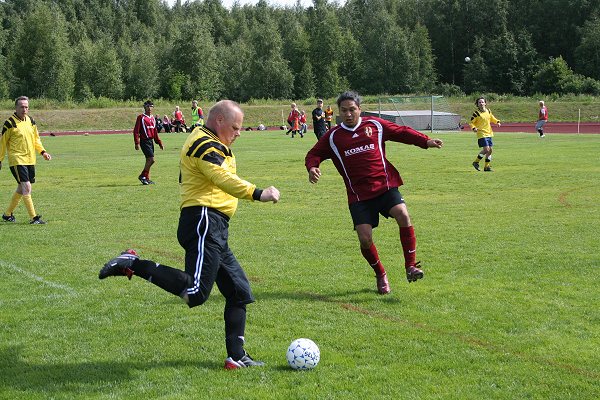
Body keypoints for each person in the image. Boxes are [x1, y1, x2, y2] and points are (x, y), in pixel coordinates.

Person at [99, 100, 281, 370]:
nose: (239, 133)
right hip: (204, 221)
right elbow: (220, 177)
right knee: (195, 292)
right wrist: (257, 193)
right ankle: (132, 263)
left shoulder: (211, 141)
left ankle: (236, 356)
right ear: (219, 120)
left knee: (239, 291)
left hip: (214, 225)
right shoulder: (203, 143)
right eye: (235, 127)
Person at [305, 91, 443, 295]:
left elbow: (401, 132)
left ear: (359, 109)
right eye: (344, 110)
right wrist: (312, 167)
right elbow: (314, 154)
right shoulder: (333, 136)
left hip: (385, 186)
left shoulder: (375, 125)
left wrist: (425, 141)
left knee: (403, 215)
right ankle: (380, 274)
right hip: (359, 195)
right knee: (365, 239)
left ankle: (411, 266)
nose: (348, 114)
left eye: (352, 109)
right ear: (339, 112)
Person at [0, 96, 52, 224]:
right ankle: (34, 218)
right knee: (26, 186)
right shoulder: (9, 123)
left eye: (26, 107)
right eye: (22, 107)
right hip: (17, 160)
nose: (24, 109)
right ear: (16, 108)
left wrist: (43, 152)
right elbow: (2, 143)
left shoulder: (31, 121)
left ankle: (7, 214)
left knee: (21, 187)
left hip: (30, 159)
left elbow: (36, 139)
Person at [133, 100, 163, 185]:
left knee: (148, 160)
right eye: (147, 106)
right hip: (144, 141)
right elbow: (136, 131)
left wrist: (159, 142)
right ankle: (142, 176)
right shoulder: (141, 117)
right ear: (144, 107)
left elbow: (155, 131)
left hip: (151, 141)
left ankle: (146, 178)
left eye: (151, 106)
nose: (149, 108)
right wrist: (136, 142)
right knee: (151, 160)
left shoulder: (153, 118)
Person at [470, 97, 501, 172]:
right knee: (486, 149)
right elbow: (471, 122)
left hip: (489, 133)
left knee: (490, 151)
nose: (481, 103)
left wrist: (497, 122)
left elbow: (492, 118)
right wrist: (474, 128)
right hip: (481, 133)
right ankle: (476, 162)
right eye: (479, 102)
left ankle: (486, 167)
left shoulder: (488, 111)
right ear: (477, 104)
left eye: (482, 102)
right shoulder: (476, 113)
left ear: (485, 103)